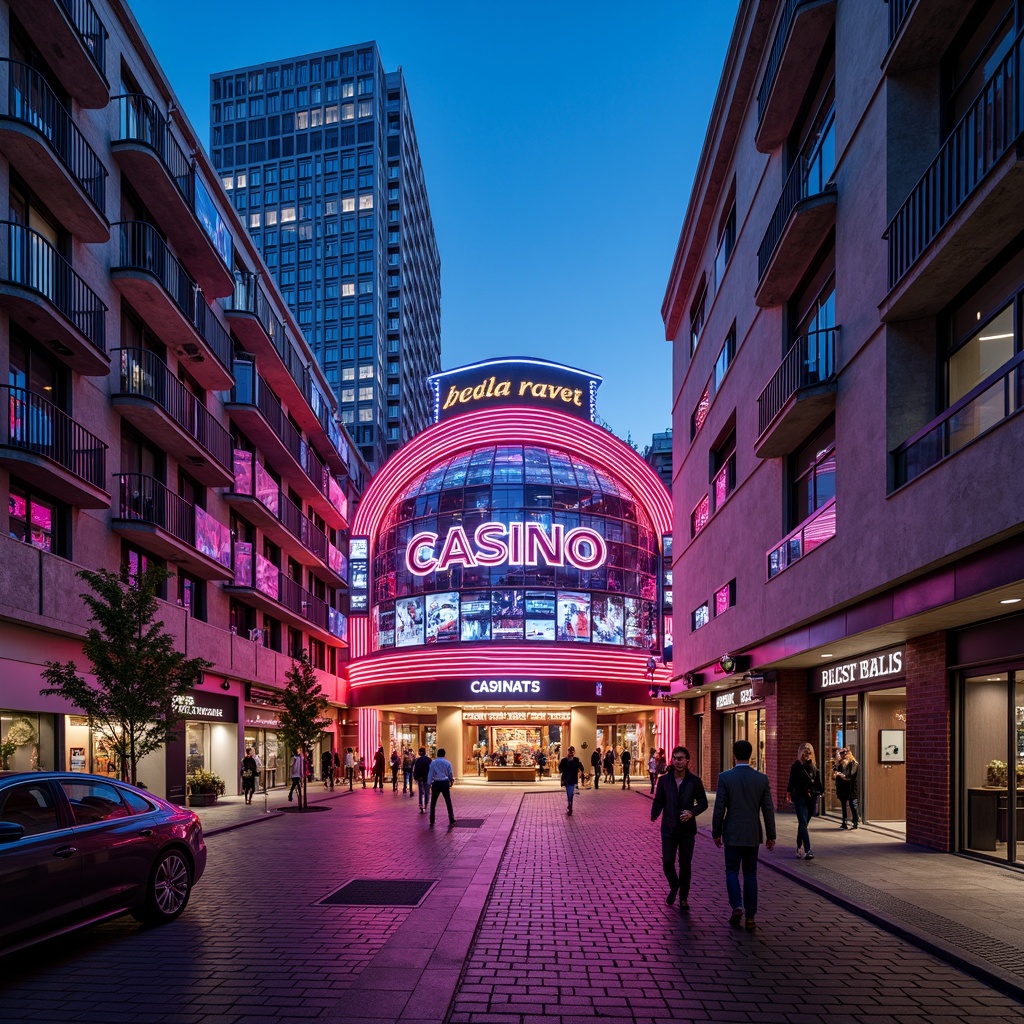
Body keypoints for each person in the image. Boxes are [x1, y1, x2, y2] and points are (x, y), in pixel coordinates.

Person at [711, 739, 777, 931]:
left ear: (734, 755)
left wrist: (716, 832)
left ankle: (737, 905)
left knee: (731, 871)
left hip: (731, 832)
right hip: (752, 833)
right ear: (750, 754)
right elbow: (768, 810)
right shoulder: (761, 779)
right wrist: (771, 835)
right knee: (750, 873)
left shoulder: (725, 777)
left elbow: (719, 807)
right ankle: (751, 916)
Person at [651, 746, 708, 910]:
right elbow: (659, 800)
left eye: (681, 758)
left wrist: (692, 812)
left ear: (687, 760)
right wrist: (654, 814)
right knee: (667, 862)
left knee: (685, 864)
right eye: (675, 758)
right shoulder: (664, 780)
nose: (678, 761)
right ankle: (674, 885)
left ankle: (684, 897)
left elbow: (703, 803)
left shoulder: (694, 781)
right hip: (668, 828)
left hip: (687, 830)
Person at [787, 742, 824, 860]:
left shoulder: (813, 767)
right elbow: (791, 781)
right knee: (802, 823)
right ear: (800, 753)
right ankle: (807, 849)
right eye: (805, 752)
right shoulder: (796, 766)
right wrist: (788, 793)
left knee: (804, 824)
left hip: (811, 798)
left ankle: (798, 846)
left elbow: (818, 782)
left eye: (809, 752)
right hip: (800, 797)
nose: (807, 755)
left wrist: (820, 792)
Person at [426, 746, 455, 827]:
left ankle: (432, 819)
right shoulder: (447, 763)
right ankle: (451, 819)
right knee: (448, 801)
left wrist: (429, 783)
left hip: (436, 783)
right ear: (444, 754)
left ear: (437, 754)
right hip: (445, 782)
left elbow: (430, 774)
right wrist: (451, 780)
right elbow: (450, 773)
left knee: (433, 802)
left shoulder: (433, 763)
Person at [834, 747, 860, 829]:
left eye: (845, 753)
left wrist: (840, 775)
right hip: (842, 787)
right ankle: (844, 822)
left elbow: (849, 776)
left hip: (851, 787)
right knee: (843, 804)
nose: (844, 755)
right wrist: (836, 766)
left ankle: (855, 821)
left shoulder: (853, 763)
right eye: (842, 753)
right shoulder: (840, 764)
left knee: (852, 804)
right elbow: (835, 774)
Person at [558, 745, 585, 815]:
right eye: (570, 752)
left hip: (572, 779)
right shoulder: (564, 760)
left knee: (571, 793)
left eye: (572, 752)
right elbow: (560, 769)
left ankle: (570, 805)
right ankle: (570, 805)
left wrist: (580, 772)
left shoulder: (576, 760)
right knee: (569, 793)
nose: (571, 753)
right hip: (567, 779)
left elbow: (581, 767)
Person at [413, 746, 432, 812]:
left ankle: (421, 805)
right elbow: (431, 769)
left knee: (421, 792)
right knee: (427, 792)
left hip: (420, 778)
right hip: (427, 778)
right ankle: (426, 804)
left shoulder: (418, 760)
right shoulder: (429, 760)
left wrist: (415, 777)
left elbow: (416, 769)